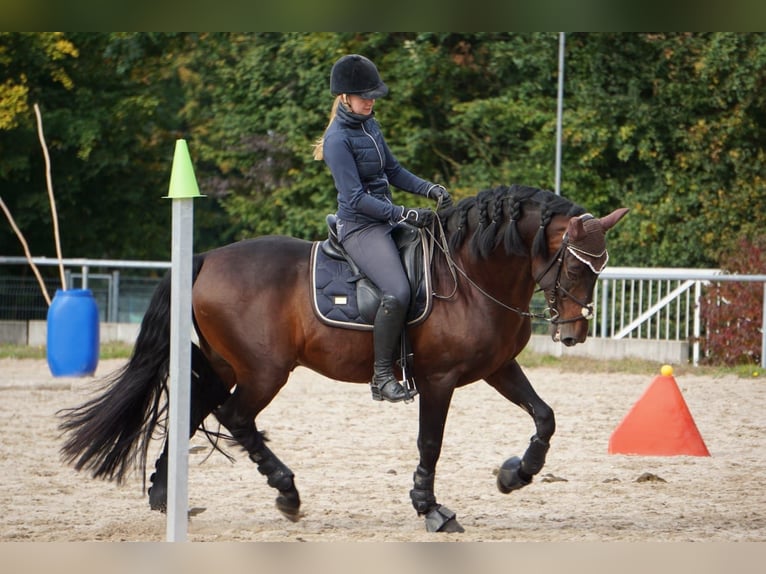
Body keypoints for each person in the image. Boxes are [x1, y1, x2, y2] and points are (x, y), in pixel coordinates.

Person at [313, 54, 452, 403]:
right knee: (398, 291)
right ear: (345, 97)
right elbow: (356, 198)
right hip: (360, 227)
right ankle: (382, 376)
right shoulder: (337, 140)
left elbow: (393, 170)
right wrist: (405, 213)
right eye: (365, 96)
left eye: (374, 95)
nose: (371, 101)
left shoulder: (369, 125)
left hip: (387, 219)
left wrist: (428, 188)